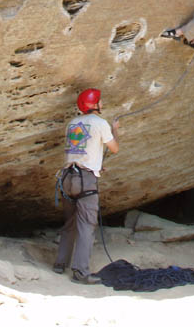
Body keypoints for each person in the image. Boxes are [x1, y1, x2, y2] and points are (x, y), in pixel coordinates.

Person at [53, 88, 119, 284]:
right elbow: (114, 148)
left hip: (66, 177)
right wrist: (116, 129)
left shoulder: (72, 124)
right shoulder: (100, 123)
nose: (102, 103)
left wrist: (97, 165)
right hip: (86, 180)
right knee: (86, 225)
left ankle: (60, 264)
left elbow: (80, 150)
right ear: (95, 104)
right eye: (99, 101)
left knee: (70, 223)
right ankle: (81, 272)